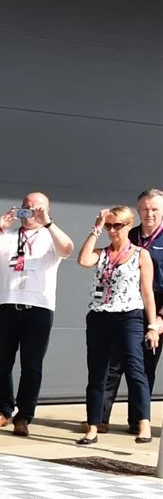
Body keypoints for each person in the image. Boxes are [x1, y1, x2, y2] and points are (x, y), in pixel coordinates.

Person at [0, 192, 74, 436]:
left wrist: (48, 222)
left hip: (39, 307)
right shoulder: (8, 235)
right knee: (0, 362)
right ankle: (2, 410)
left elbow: (67, 249)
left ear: (44, 210)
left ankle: (24, 416)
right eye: (25, 207)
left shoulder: (49, 236)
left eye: (34, 208)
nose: (27, 212)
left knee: (31, 365)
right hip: (8, 304)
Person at [75, 205, 158, 446]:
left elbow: (147, 293)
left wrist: (152, 326)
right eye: (109, 226)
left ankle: (143, 422)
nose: (112, 231)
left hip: (128, 316)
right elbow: (83, 260)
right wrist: (96, 228)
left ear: (129, 225)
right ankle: (92, 426)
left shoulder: (140, 254)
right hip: (100, 316)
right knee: (97, 372)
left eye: (117, 226)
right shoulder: (101, 253)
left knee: (135, 369)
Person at [104, 189, 163, 433]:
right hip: (128, 305)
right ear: (137, 211)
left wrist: (160, 318)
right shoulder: (131, 235)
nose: (149, 213)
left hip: (159, 305)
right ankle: (99, 418)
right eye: (145, 209)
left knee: (145, 366)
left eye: (155, 209)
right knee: (113, 364)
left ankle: (139, 420)